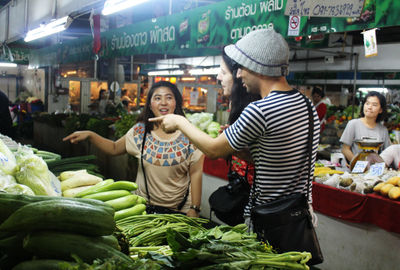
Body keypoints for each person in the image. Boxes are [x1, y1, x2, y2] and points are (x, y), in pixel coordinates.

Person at [150, 29, 320, 226]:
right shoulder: (306, 105)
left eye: (242, 67)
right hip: (300, 218)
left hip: (270, 220)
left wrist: (180, 122)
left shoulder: (260, 110)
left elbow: (213, 150)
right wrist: (239, 150)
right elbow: (275, 159)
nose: (239, 74)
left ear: (257, 67)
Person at [63, 81, 204, 217]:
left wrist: (195, 208)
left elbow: (196, 172)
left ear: (176, 103)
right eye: (157, 98)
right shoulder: (139, 132)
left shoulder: (190, 134)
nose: (163, 102)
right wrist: (90, 135)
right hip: (143, 208)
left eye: (169, 98)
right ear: (150, 104)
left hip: (180, 212)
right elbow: (114, 148)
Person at [217, 48, 260, 185]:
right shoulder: (235, 105)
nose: (218, 77)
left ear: (238, 75)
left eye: (223, 72)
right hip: (239, 182)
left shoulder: (255, 110)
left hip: (252, 190)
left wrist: (180, 123)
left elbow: (263, 158)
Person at [340, 91, 391, 164]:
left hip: (375, 171)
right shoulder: (353, 124)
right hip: (355, 171)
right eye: (367, 103)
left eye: (374, 105)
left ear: (381, 110)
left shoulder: (383, 130)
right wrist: (358, 165)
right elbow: (345, 149)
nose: (369, 107)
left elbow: (387, 152)